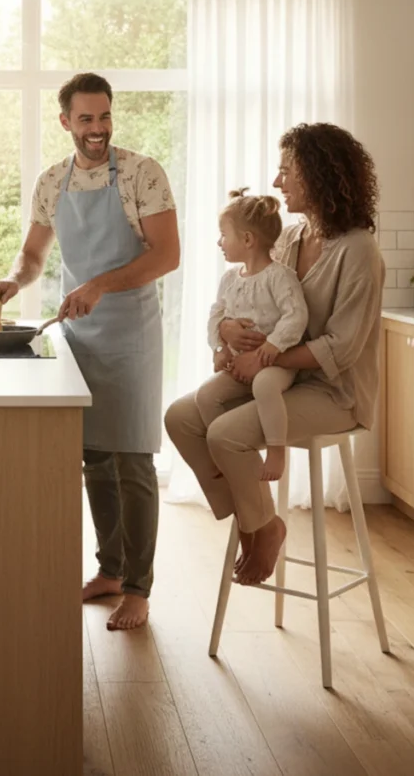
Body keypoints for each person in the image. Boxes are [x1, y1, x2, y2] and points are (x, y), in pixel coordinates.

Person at [0, 72, 180, 631]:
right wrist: (13, 281)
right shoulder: (52, 181)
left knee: (134, 462)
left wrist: (99, 285)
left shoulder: (142, 174)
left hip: (131, 335)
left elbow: (165, 255)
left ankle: (140, 590)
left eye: (105, 117)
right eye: (86, 119)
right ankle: (111, 570)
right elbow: (32, 254)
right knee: (95, 456)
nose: (97, 129)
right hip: (79, 336)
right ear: (66, 120)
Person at [164, 122, 384, 587]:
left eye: (287, 171)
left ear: (319, 175)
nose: (278, 181)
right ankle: (257, 522)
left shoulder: (359, 252)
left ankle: (260, 529)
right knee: (180, 417)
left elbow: (341, 348)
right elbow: (256, 297)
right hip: (276, 378)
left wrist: (266, 358)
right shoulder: (290, 238)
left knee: (225, 434)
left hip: (332, 392)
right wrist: (226, 329)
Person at [198, 188, 308, 483]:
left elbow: (296, 315)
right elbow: (216, 315)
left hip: (276, 365)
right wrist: (218, 349)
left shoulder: (280, 277)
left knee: (264, 385)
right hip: (238, 364)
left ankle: (276, 450)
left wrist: (270, 348)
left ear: (247, 240)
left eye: (224, 235)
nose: (219, 242)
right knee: (207, 396)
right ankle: (222, 452)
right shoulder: (229, 279)